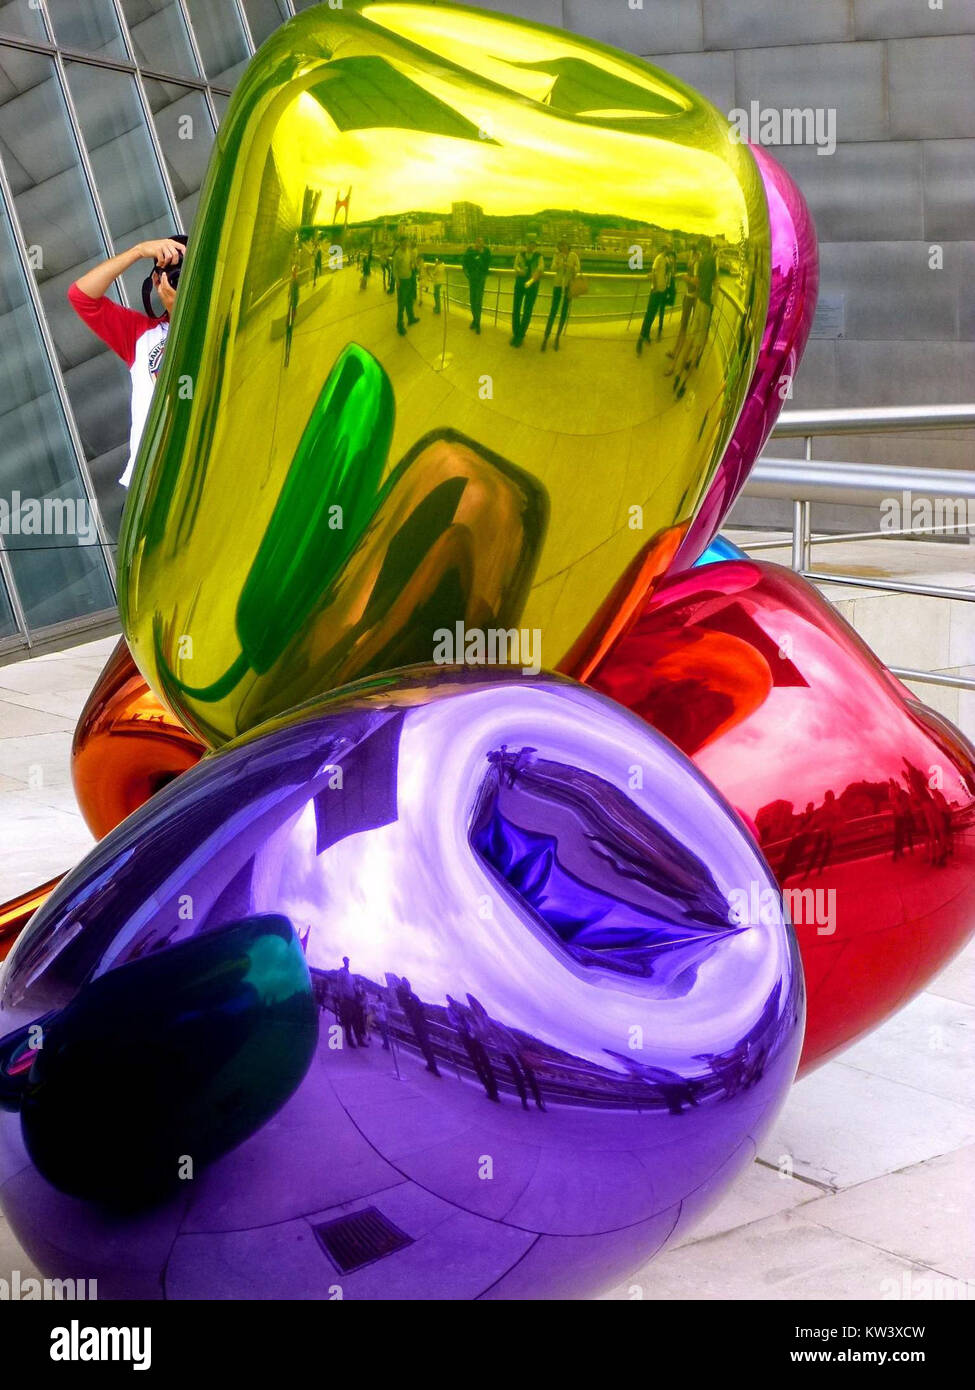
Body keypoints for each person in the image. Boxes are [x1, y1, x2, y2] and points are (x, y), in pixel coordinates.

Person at [68, 234, 186, 488]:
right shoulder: (141, 334)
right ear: (156, 280)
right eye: (170, 273)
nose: (178, 280)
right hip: (150, 478)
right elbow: (81, 296)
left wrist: (180, 312)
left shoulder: (221, 324)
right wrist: (138, 250)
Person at [396, 977, 441, 1076]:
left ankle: (432, 1066)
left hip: (417, 1023)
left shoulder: (409, 996)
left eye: (405, 984)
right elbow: (419, 1007)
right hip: (418, 1022)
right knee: (424, 1044)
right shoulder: (410, 995)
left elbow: (414, 1007)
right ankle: (431, 1065)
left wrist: (413, 1012)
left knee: (424, 1044)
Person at [541, 240, 580, 352]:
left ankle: (557, 338)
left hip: (568, 285)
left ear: (568, 246)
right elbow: (552, 268)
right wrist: (559, 264)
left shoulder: (574, 256)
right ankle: (545, 338)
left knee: (563, 312)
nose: (562, 247)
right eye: (560, 246)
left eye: (564, 245)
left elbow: (578, 268)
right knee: (553, 311)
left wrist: (571, 267)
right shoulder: (557, 255)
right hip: (557, 285)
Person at [636, 243, 673, 354]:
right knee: (649, 315)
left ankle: (646, 335)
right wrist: (655, 287)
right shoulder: (658, 258)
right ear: (664, 248)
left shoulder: (667, 259)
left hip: (662, 290)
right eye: (669, 247)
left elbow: (668, 273)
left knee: (653, 315)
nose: (670, 250)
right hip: (656, 291)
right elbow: (653, 272)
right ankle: (640, 339)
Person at [510, 235, 544, 346]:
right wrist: (520, 271)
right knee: (516, 308)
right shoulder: (520, 254)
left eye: (533, 245)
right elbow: (515, 265)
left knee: (527, 310)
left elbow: (540, 269)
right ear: (526, 245)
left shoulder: (539, 256)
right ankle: (515, 333)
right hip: (520, 282)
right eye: (529, 244)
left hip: (532, 284)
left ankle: (521, 335)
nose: (531, 246)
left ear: (535, 246)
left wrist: (531, 279)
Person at [462, 236, 491, 332]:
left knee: (478, 301)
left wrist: (480, 255)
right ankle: (474, 320)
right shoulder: (470, 251)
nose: (479, 244)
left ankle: (477, 323)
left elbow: (487, 265)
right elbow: (464, 263)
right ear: (475, 242)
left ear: (483, 243)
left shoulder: (486, 252)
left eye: (481, 242)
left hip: (481, 280)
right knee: (472, 300)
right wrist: (467, 273)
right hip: (472, 278)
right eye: (477, 242)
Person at [392, 236, 419, 335]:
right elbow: (394, 269)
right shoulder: (397, 254)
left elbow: (411, 261)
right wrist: (397, 281)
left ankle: (411, 318)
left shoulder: (409, 251)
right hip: (402, 282)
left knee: (409, 300)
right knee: (401, 304)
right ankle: (400, 325)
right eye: (403, 243)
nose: (405, 245)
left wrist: (413, 264)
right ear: (400, 243)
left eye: (406, 243)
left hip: (409, 279)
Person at [335, 956, 359, 1049]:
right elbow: (339, 984)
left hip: (353, 1000)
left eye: (348, 961)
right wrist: (341, 997)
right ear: (343, 961)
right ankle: (350, 1040)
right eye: (346, 961)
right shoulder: (341, 972)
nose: (347, 962)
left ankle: (358, 1039)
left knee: (355, 1020)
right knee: (348, 1021)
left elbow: (353, 987)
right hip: (346, 999)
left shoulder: (350, 975)